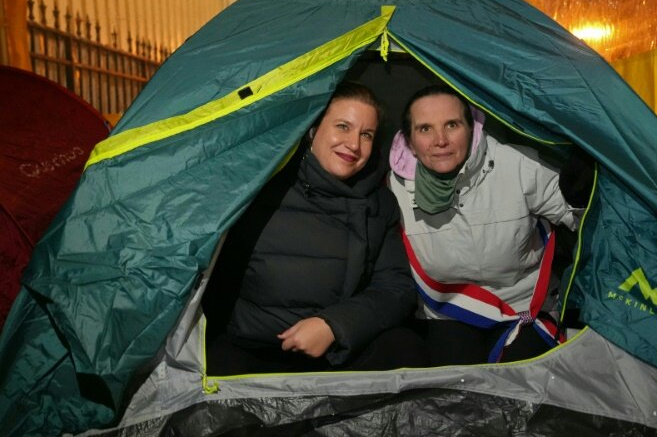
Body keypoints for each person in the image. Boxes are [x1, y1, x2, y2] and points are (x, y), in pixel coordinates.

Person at [205, 82, 426, 375]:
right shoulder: (260, 186)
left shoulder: (379, 202)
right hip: (252, 349)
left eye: (366, 134)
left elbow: (395, 288)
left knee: (405, 347)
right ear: (313, 129)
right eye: (343, 127)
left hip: (337, 352)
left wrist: (334, 326)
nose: (354, 144)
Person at [388, 85, 591, 366]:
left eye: (452, 124)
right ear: (409, 141)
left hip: (524, 307)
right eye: (425, 129)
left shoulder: (519, 164)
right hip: (448, 310)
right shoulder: (393, 188)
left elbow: (583, 222)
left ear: (472, 128)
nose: (440, 140)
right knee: (456, 387)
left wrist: (583, 198)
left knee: (526, 383)